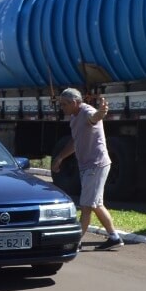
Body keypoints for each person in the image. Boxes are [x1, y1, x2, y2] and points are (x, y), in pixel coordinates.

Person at [51, 88, 124, 249]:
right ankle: (114, 237)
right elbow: (75, 142)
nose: (62, 108)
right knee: (96, 204)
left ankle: (75, 242)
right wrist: (60, 157)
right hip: (87, 166)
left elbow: (94, 117)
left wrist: (102, 112)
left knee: (86, 206)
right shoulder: (74, 117)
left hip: (96, 165)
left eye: (64, 104)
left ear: (75, 102)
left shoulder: (86, 111)